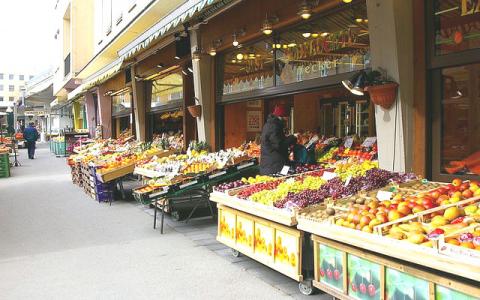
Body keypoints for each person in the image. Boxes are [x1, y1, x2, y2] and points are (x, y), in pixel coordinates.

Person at [259, 105, 297, 175]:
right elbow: (279, 145)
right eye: (286, 117)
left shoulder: (271, 124)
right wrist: (292, 138)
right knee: (278, 183)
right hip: (274, 166)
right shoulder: (274, 126)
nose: (287, 119)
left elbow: (277, 141)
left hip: (272, 164)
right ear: (282, 116)